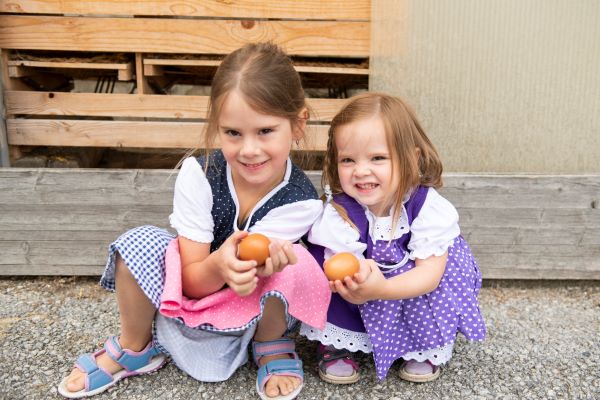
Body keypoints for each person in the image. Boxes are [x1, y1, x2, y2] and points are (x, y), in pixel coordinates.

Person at [58, 42, 331, 400]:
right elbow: (190, 282)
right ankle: (135, 347)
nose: (249, 149)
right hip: (190, 291)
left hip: (249, 306)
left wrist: (263, 268)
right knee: (137, 241)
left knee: (296, 264)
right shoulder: (200, 174)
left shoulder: (301, 202)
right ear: (217, 127)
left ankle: (271, 345)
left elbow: (250, 285)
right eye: (233, 132)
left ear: (298, 124)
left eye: (265, 131)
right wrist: (218, 265)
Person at [300, 92, 486, 384]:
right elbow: (338, 265)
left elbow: (430, 275)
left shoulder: (426, 208)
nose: (361, 171)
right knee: (323, 270)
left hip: (413, 287)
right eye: (348, 160)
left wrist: (381, 289)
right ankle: (338, 342)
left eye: (377, 158)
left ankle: (422, 343)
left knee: (432, 278)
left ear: (411, 158)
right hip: (358, 292)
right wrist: (355, 280)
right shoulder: (341, 211)